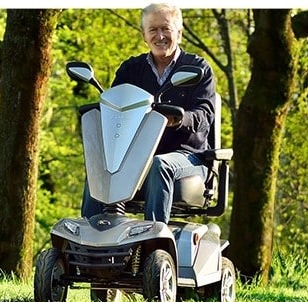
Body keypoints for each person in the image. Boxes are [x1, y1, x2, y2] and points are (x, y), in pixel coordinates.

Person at [81, 2, 217, 223]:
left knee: (160, 164)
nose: (160, 36)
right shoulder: (131, 69)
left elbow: (204, 116)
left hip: (188, 157)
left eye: (166, 29)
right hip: (136, 157)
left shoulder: (198, 68)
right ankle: (90, 237)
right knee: (100, 167)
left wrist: (180, 118)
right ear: (144, 35)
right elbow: (115, 107)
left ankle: (155, 238)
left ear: (179, 33)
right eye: (153, 30)